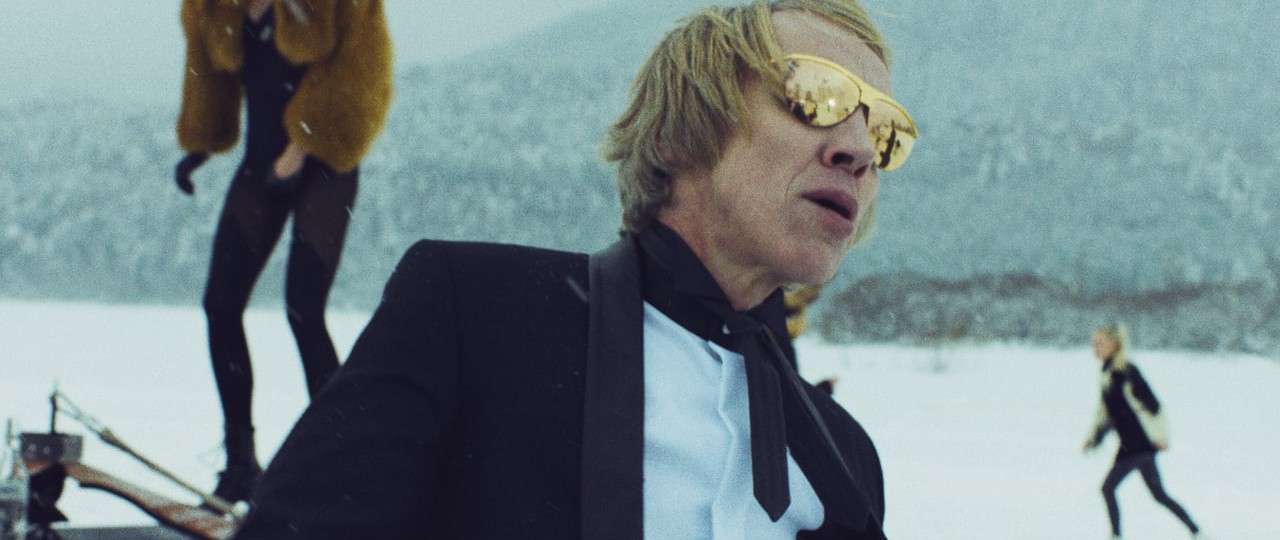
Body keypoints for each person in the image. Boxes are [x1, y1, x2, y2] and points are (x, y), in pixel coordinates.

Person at [233, 0, 917, 537]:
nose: (859, 150)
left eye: (884, 132)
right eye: (815, 95)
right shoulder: (473, 315)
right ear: (681, 132)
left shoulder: (846, 456)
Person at [174, 0, 392, 504]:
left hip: (326, 165)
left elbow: (360, 72)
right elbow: (208, 74)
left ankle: (343, 459)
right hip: (260, 165)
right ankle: (240, 463)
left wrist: (301, 147)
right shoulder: (216, 8)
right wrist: (200, 146)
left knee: (303, 309)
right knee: (220, 306)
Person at [1082, 323, 1201, 539]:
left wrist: (1161, 437)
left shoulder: (1126, 372)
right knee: (1158, 494)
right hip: (1134, 445)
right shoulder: (1108, 373)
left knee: (1108, 488)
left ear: (1114, 344)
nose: (1095, 348)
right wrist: (1094, 438)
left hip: (1138, 444)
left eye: (1100, 343)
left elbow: (1154, 406)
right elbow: (1109, 415)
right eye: (1094, 343)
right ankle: (1196, 531)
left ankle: (1116, 536)